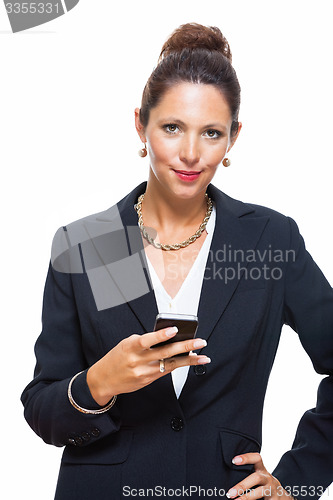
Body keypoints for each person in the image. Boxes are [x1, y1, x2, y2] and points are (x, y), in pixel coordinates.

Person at [21, 22, 333, 500]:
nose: (190, 153)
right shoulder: (90, 243)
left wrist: (299, 482)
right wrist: (99, 383)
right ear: (140, 125)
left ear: (233, 137)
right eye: (172, 127)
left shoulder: (269, 241)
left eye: (211, 132)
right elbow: (42, 409)